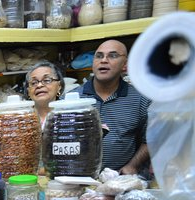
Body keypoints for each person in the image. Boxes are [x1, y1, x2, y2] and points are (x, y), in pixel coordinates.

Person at [76, 39, 151, 174]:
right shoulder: (72, 99)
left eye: (113, 55)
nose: (104, 60)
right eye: (99, 56)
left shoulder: (140, 100)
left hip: (120, 181)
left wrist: (132, 166)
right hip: (77, 179)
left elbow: (150, 139)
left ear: (125, 65)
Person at [25, 61, 64, 128]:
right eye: (34, 83)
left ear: (59, 86)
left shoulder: (68, 115)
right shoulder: (22, 119)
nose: (39, 85)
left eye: (46, 80)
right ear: (28, 91)